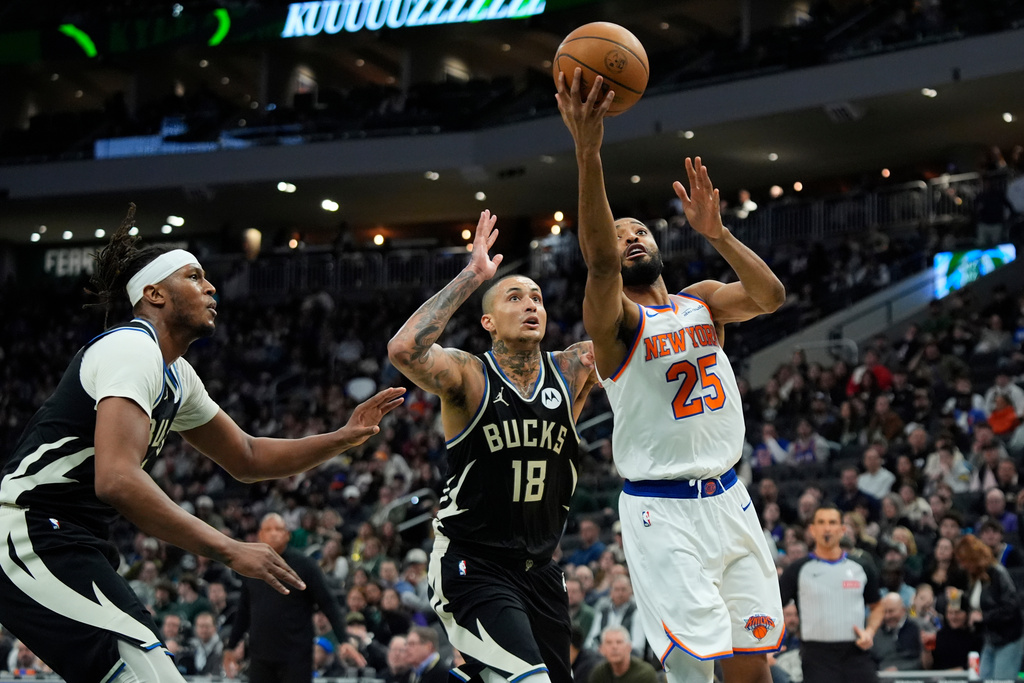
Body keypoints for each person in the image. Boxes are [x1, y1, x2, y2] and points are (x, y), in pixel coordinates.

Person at [0, 206, 405, 683]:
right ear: (154, 294)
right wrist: (229, 548)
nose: (211, 287)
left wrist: (341, 438)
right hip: (27, 532)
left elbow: (248, 458)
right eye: (194, 277)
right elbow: (116, 479)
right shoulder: (131, 348)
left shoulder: (178, 376)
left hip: (73, 537)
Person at [557, 68, 786, 683]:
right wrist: (589, 152)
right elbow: (601, 260)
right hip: (663, 509)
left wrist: (720, 234)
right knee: (693, 667)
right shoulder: (616, 323)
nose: (628, 239)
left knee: (751, 668)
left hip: (730, 497)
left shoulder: (701, 299)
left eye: (639, 231)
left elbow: (769, 296)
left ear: (659, 243)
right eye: (618, 235)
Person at [387, 210, 597, 683]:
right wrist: (473, 275)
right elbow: (404, 351)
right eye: (515, 296)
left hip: (541, 569)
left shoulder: (573, 368)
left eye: (538, 298)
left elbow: (635, 339)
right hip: (472, 563)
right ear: (488, 321)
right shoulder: (469, 374)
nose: (531, 305)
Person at [224, 513, 367, 683]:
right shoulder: (252, 567)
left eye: (278, 529)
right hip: (260, 654)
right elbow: (244, 611)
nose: (274, 533)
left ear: (287, 535)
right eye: (268, 529)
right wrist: (231, 647)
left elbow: (328, 603)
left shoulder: (305, 565)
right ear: (260, 535)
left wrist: (344, 640)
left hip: (296, 655)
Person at [779, 504, 884, 683]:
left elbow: (877, 606)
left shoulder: (862, 567)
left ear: (842, 529)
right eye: (821, 522)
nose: (827, 528)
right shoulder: (797, 570)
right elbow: (774, 606)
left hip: (856, 654)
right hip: (816, 657)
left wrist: (870, 632)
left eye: (832, 522)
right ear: (812, 530)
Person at [953, 534, 1024, 679]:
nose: (963, 566)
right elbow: (978, 604)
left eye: (965, 561)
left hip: (1009, 638)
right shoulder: (975, 578)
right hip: (990, 639)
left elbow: (1012, 607)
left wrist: (984, 617)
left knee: (1001, 681)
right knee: (984, 677)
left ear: (974, 558)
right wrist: (960, 598)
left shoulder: (998, 574)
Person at [589, 626, 659, 683]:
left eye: (619, 642)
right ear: (602, 649)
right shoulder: (599, 674)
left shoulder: (644, 674)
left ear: (629, 647)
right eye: (609, 643)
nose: (614, 647)